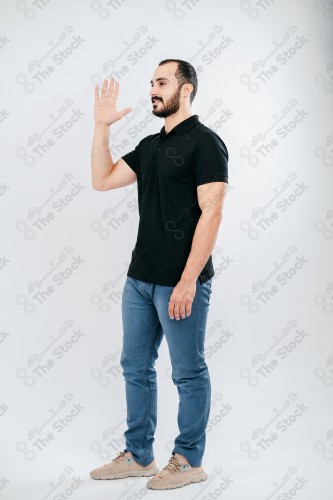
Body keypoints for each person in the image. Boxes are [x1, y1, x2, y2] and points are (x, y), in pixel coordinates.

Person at [89, 59, 229, 490]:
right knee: (135, 365)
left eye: (162, 82)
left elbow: (213, 210)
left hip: (179, 281)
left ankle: (189, 460)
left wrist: (188, 280)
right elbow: (103, 180)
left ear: (185, 90)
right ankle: (139, 455)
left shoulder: (206, 143)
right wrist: (102, 127)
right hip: (139, 279)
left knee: (187, 371)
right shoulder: (151, 146)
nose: (153, 89)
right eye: (151, 82)